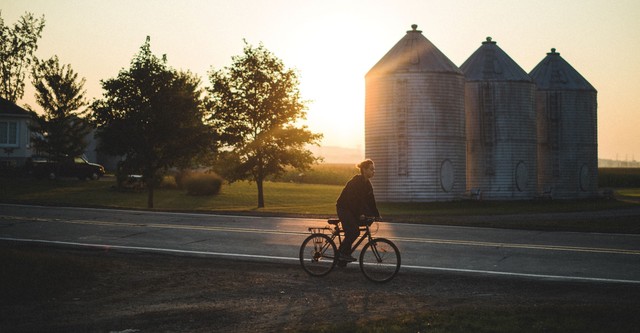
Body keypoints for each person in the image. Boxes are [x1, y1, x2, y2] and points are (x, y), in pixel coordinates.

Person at [335, 159, 381, 262]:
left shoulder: (367, 184)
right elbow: (352, 201)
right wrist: (360, 214)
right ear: (364, 170)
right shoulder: (355, 182)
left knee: (361, 225)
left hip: (352, 209)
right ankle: (342, 253)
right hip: (344, 208)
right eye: (371, 169)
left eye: (374, 169)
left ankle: (343, 258)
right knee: (354, 231)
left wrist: (376, 215)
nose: (374, 171)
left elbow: (371, 201)